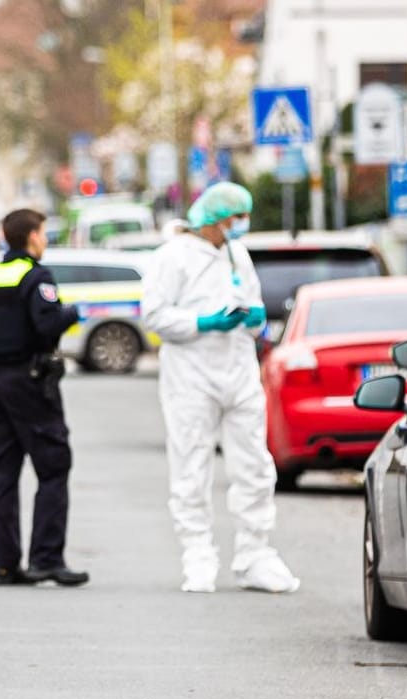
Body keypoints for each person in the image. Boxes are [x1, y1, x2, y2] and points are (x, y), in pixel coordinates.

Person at [140, 181, 299, 594]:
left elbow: (253, 304)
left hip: (239, 370)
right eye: (235, 219)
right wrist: (203, 323)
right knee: (191, 466)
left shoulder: (235, 253)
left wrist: (254, 319)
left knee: (255, 466)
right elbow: (154, 315)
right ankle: (198, 555)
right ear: (213, 218)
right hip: (191, 375)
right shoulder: (171, 257)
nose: (240, 226)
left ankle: (255, 555)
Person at [0, 208, 89, 587]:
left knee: (3, 473)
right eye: (43, 233)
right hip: (31, 382)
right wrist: (70, 314)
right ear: (32, 236)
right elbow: (47, 323)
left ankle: (4, 565)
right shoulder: (36, 277)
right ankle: (46, 558)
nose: (45, 240)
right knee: (53, 466)